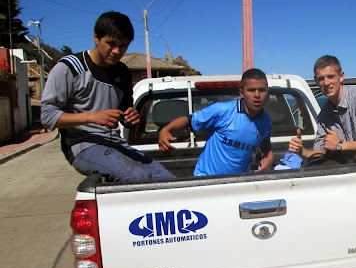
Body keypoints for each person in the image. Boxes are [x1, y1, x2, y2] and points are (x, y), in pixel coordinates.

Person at [40, 11, 174, 182]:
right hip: (82, 145)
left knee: (167, 180)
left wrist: (130, 118)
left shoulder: (123, 73)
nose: (116, 51)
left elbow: (125, 114)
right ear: (96, 38)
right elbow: (47, 116)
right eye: (110, 43)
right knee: (136, 176)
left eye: (123, 46)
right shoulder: (70, 68)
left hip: (115, 144)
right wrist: (92, 117)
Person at [158, 68, 273, 176]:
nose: (257, 95)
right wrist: (166, 130)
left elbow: (264, 141)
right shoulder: (222, 111)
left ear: (267, 92)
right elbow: (189, 120)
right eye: (251, 90)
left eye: (262, 90)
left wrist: (269, 157)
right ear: (241, 93)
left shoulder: (266, 121)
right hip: (207, 179)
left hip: (239, 181)